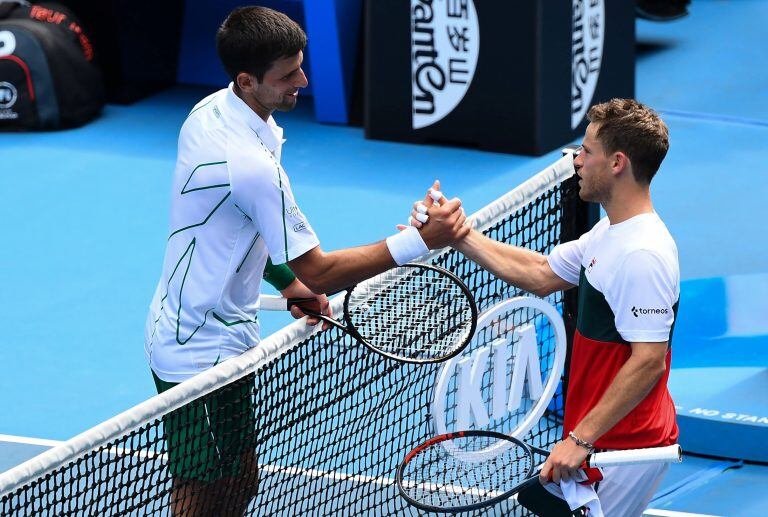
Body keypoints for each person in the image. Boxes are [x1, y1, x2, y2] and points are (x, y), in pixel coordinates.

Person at [144, 6, 469, 516]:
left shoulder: (218, 111)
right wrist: (419, 243)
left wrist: (284, 281)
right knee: (200, 496)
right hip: (194, 351)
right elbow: (318, 269)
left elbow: (242, 227)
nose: (303, 79)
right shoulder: (247, 164)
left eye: (301, 63)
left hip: (230, 330)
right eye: (288, 74)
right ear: (246, 79)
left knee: (241, 483)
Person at [409, 99, 679, 516]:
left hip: (624, 450)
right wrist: (457, 235)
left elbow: (648, 362)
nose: (577, 160)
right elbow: (540, 272)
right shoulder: (610, 231)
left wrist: (580, 440)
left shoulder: (642, 254)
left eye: (587, 151)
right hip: (598, 439)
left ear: (617, 163)